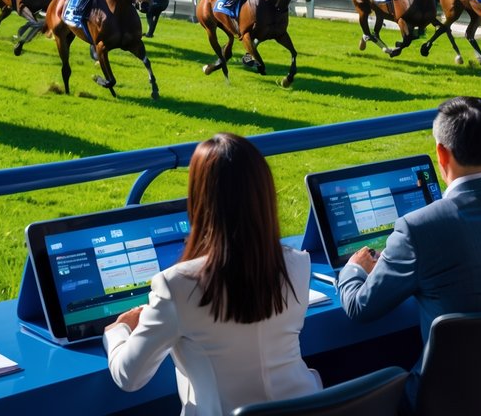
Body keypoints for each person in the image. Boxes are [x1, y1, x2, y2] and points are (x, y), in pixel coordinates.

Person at [338, 96, 481, 403]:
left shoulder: (418, 228)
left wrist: (354, 269)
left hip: (447, 399)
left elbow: (360, 308)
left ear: (441, 153)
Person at [104, 134, 322, 415]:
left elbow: (129, 377)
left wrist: (118, 331)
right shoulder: (298, 264)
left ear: (198, 198)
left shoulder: (176, 286)